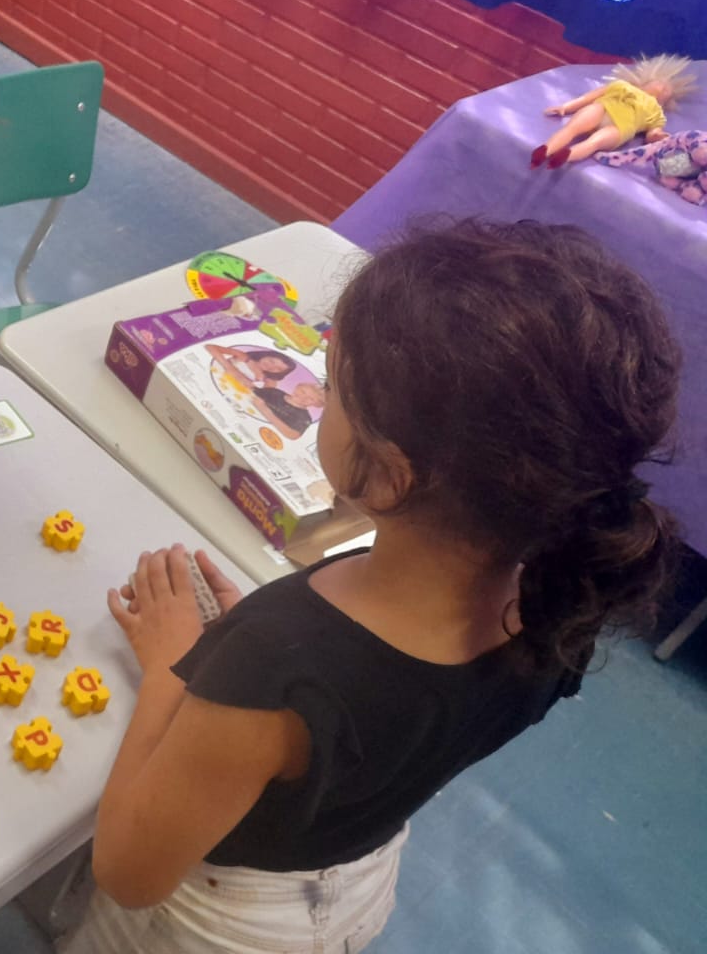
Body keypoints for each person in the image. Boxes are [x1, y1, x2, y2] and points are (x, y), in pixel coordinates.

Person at [73, 219, 680, 953]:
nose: (317, 399)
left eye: (331, 389)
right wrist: (238, 666)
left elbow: (128, 872)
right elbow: (353, 738)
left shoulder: (277, 661)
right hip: (351, 888)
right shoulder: (563, 604)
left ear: (390, 476)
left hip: (213, 925)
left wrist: (175, 667)